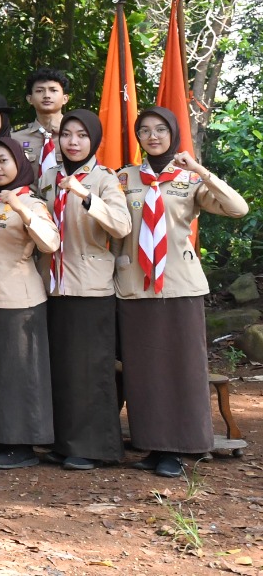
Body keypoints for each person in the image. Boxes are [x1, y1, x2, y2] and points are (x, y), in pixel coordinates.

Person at [117, 106, 248, 478]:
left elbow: (237, 208)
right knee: (144, 372)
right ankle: (153, 445)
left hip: (180, 285)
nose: (153, 136)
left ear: (173, 135)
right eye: (145, 130)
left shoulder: (188, 181)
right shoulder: (125, 178)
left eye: (161, 129)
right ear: (138, 136)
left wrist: (200, 171)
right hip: (135, 286)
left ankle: (180, 447)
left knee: (182, 369)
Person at [41, 110, 131, 470]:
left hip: (90, 287)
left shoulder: (105, 179)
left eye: (81, 135)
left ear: (94, 141)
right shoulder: (48, 177)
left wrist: (86, 196)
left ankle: (95, 447)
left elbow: (122, 226)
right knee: (61, 368)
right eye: (67, 135)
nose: (73, 142)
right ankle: (64, 443)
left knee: (90, 370)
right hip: (52, 285)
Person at [0, 136, 58, 470]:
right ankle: (0, 439)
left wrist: (20, 208)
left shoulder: (31, 202)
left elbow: (50, 243)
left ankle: (22, 446)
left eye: (3, 160)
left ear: (19, 163)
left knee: (20, 375)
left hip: (20, 301)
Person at [15, 67, 71, 176]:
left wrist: (66, 132)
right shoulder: (16, 138)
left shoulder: (80, 136)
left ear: (65, 98)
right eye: (39, 91)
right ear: (29, 99)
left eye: (53, 90)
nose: (46, 96)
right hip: (25, 193)